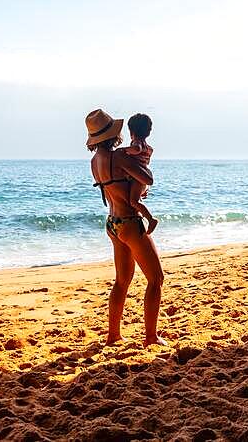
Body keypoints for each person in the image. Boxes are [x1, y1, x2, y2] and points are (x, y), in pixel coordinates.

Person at [85, 108, 167, 347]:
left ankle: (113, 335)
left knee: (122, 282)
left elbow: (117, 187)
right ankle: (151, 337)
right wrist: (144, 178)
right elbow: (147, 179)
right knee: (156, 279)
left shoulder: (95, 161)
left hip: (112, 223)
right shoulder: (118, 157)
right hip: (130, 222)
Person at [123, 113, 157, 235]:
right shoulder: (148, 147)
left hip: (138, 179)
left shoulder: (137, 143)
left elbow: (137, 149)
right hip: (143, 176)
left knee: (133, 201)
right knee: (136, 200)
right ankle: (148, 218)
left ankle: (151, 219)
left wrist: (123, 150)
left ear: (132, 131)